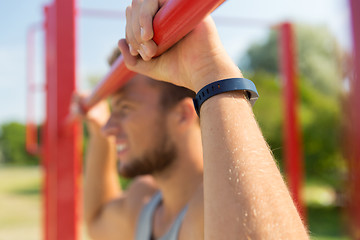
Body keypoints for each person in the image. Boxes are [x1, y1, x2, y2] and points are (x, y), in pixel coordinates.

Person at [73, 0, 309, 239]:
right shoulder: (144, 203)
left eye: (124, 108)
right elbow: (97, 223)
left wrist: (209, 69)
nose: (109, 128)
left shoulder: (211, 209)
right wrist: (97, 133)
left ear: (183, 114)